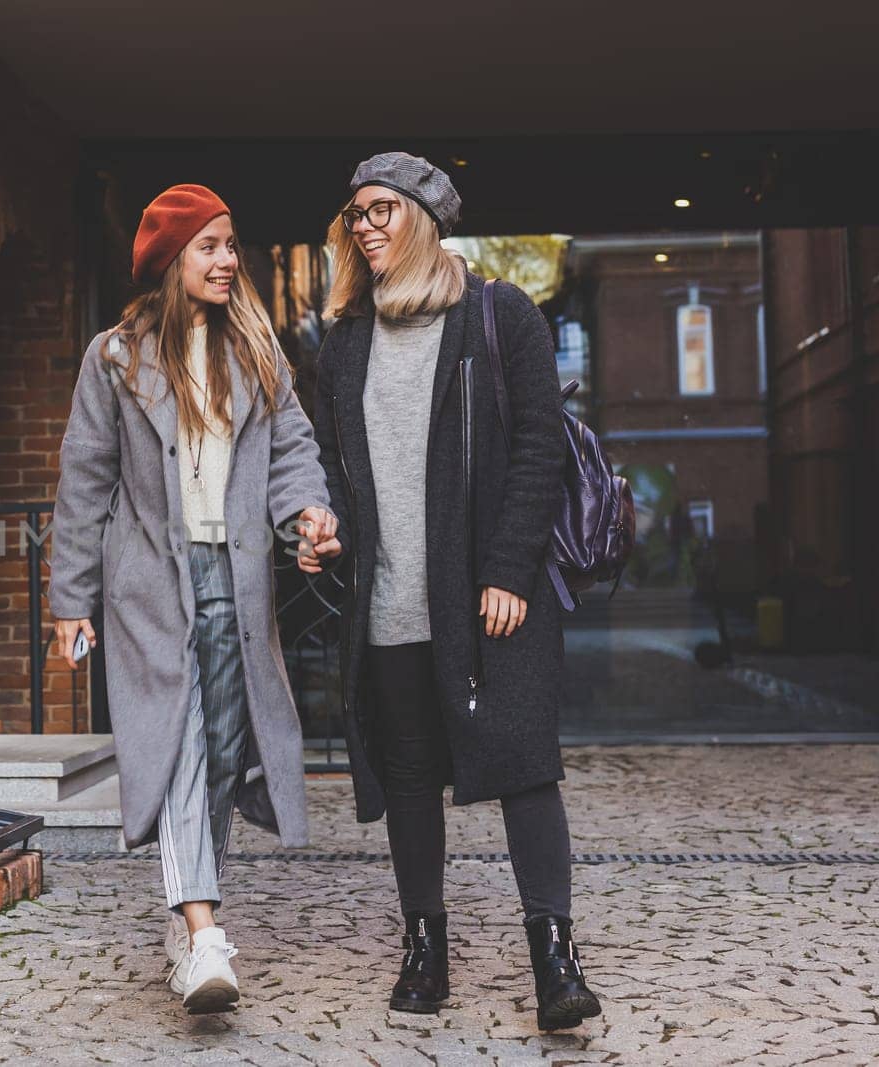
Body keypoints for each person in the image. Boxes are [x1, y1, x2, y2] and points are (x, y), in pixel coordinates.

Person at [312, 153, 603, 1031]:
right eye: (354, 215)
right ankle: (424, 947)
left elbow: (538, 449)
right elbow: (333, 466)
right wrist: (320, 524)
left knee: (524, 765)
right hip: (391, 597)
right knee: (407, 776)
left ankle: (555, 957)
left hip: (488, 594)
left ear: (425, 219)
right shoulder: (344, 343)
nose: (363, 226)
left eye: (380, 211)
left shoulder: (497, 314)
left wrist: (510, 569)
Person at [49, 184, 341, 1015]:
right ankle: (205, 929)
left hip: (239, 581)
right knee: (176, 741)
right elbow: (85, 480)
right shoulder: (115, 357)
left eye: (230, 243)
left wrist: (308, 515)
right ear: (171, 261)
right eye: (209, 246)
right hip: (149, 582)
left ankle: (188, 918)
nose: (227, 260)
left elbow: (292, 453)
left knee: (220, 746)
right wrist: (71, 598)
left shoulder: (258, 349)